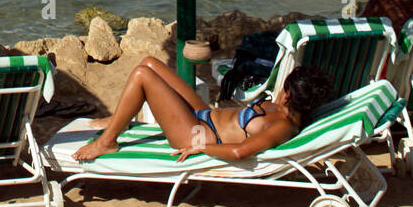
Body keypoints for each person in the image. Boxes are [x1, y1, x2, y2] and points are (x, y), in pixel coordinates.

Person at [72, 58, 335, 164]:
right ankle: (122, 117)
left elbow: (238, 151)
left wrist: (201, 148)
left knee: (142, 75)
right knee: (150, 63)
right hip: (205, 116)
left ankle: (107, 142)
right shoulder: (291, 110)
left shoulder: (282, 126)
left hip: (199, 135)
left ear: (288, 94)